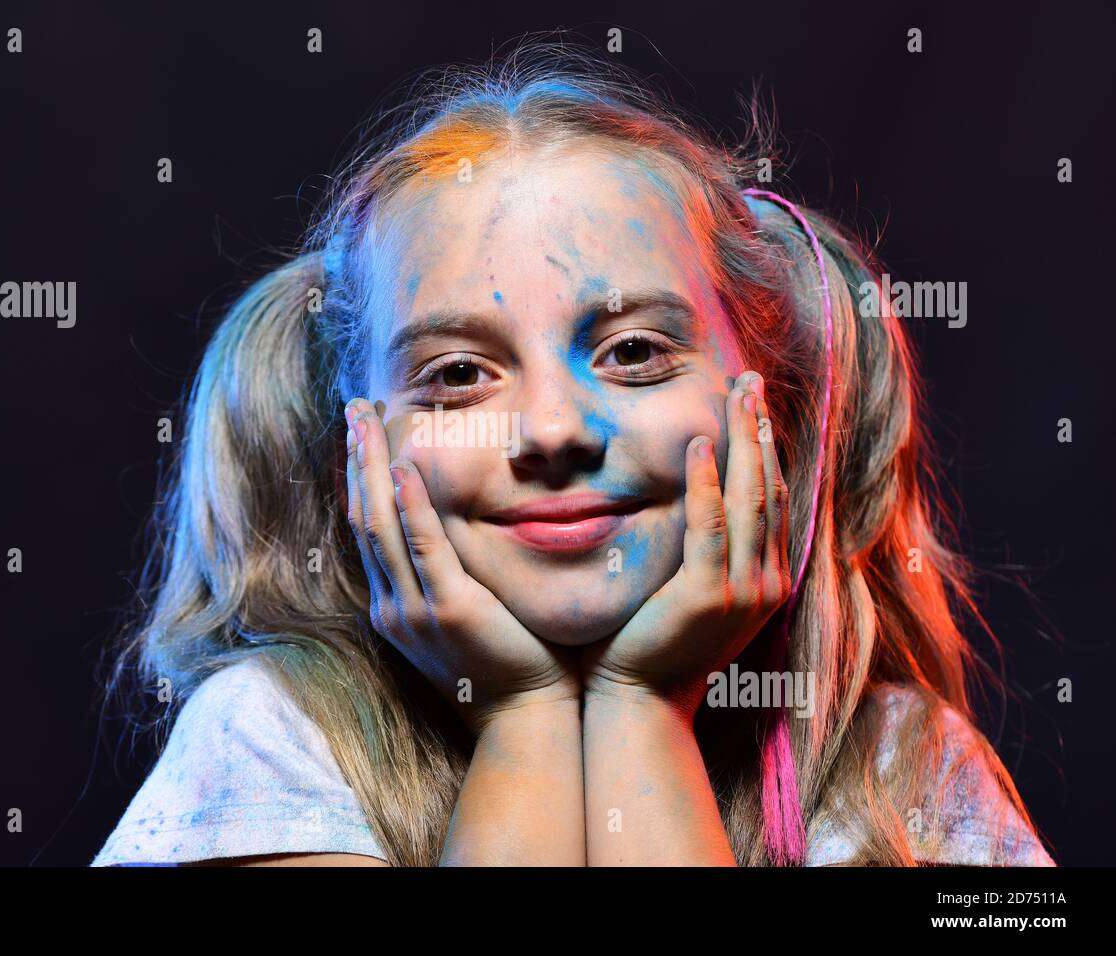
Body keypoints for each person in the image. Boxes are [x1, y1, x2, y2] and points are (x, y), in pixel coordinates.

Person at [91, 44, 1055, 867]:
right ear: (360, 441)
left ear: (771, 402)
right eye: (460, 374)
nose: (552, 431)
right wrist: (523, 714)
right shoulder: (269, 741)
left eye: (634, 351)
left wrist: (643, 711)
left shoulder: (905, 773)